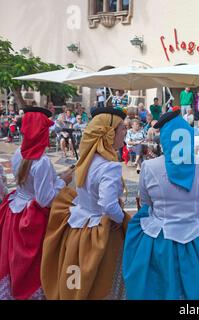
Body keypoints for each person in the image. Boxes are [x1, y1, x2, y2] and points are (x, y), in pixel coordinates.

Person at [122, 110, 199, 299]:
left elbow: (145, 202)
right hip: (198, 236)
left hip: (160, 238)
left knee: (161, 289)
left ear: (166, 139)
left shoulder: (149, 167)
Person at [41, 108, 129, 300]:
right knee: (102, 282)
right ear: (109, 133)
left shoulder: (87, 159)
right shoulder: (110, 166)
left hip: (78, 227)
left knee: (78, 280)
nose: (125, 131)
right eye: (122, 128)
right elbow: (107, 205)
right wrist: (123, 220)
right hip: (102, 231)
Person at [0, 107, 72, 300]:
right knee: (32, 265)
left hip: (15, 211)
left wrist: (54, 179)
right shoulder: (41, 161)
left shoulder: (18, 154)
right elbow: (45, 199)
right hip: (32, 218)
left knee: (15, 260)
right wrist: (63, 180)